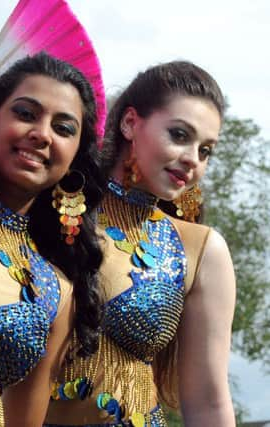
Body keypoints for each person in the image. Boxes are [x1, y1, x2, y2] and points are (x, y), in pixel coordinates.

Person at [45, 61, 236, 426]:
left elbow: (209, 402)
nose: (192, 159)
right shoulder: (50, 210)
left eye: (206, 150)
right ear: (130, 122)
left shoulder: (201, 250)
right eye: (180, 135)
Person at [0, 52, 106, 426]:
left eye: (63, 128)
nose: (42, 134)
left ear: (75, 157)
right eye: (26, 114)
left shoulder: (56, 289)